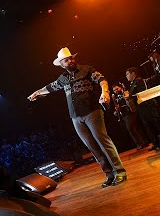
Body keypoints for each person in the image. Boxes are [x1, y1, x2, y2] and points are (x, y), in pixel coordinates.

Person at [27, 47, 127, 188]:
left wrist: (105, 92)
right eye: (67, 60)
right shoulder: (63, 78)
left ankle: (120, 172)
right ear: (62, 64)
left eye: (71, 58)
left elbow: (102, 79)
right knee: (92, 147)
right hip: (76, 118)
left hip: (92, 112)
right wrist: (37, 92)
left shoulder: (87, 69)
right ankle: (109, 175)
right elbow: (51, 87)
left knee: (104, 142)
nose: (70, 61)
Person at [111, 83, 149, 151]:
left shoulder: (125, 92)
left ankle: (139, 143)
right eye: (114, 90)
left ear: (120, 87)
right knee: (135, 128)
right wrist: (116, 111)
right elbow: (117, 106)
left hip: (130, 112)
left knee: (131, 128)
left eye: (117, 89)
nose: (116, 91)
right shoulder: (115, 97)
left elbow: (130, 99)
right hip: (124, 115)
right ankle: (144, 142)